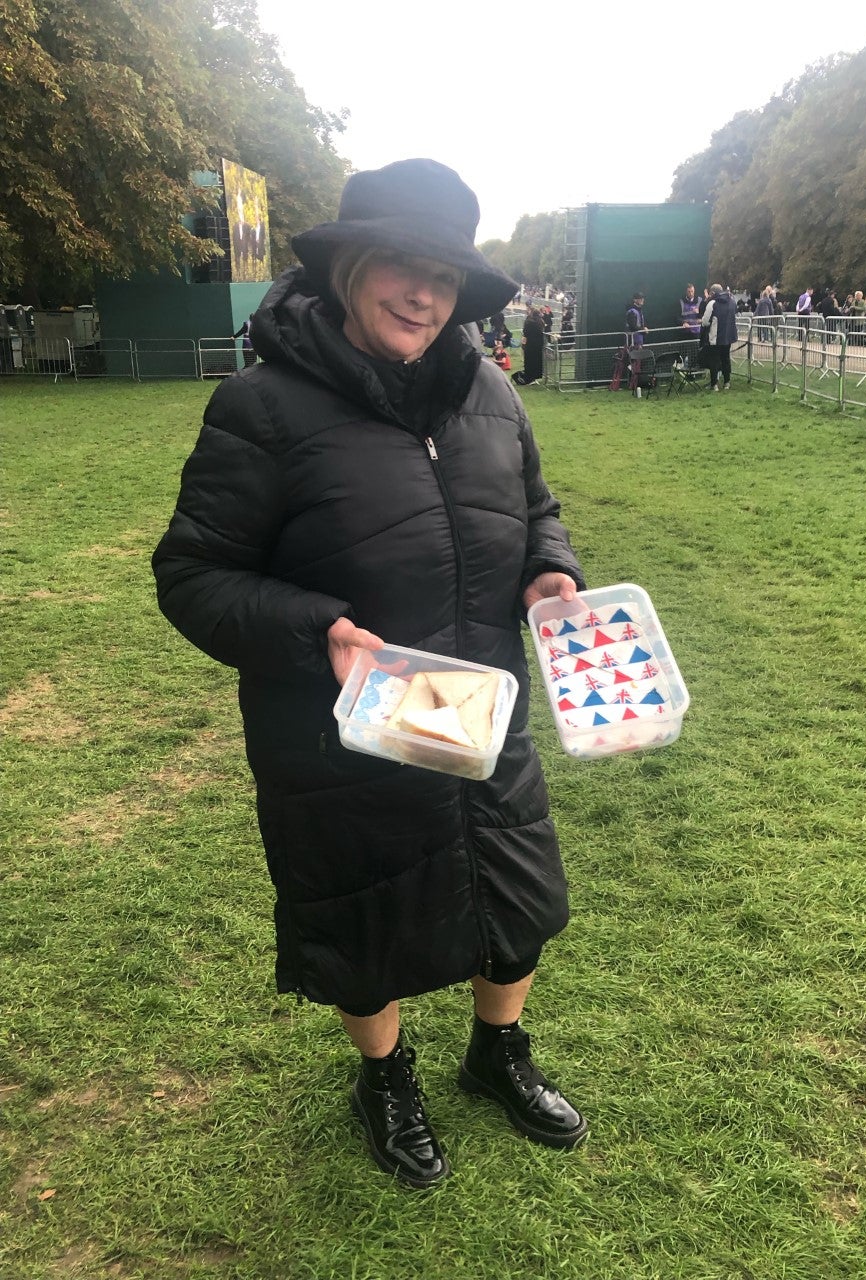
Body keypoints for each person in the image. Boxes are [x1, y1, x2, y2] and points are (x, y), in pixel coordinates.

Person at [152, 158, 588, 1190]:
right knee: (364, 920)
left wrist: (550, 569)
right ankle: (384, 1075)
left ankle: (499, 1052)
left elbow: (535, 506)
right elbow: (192, 573)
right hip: (340, 726)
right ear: (350, 265)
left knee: (513, 897)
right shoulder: (260, 406)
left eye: (443, 273)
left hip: (477, 708)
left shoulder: (488, 390)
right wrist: (319, 630)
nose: (422, 291)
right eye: (399, 262)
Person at [700, 283, 738, 390]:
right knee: (726, 359)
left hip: (715, 336)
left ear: (712, 293)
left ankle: (714, 384)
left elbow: (705, 321)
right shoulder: (731, 301)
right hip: (728, 336)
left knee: (714, 360)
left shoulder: (712, 303)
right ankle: (727, 382)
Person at [512, 301, 545, 385]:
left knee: (529, 361)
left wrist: (524, 345)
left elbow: (525, 333)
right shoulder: (541, 322)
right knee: (537, 361)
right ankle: (534, 377)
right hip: (538, 344)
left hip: (530, 344)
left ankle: (529, 377)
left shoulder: (528, 322)